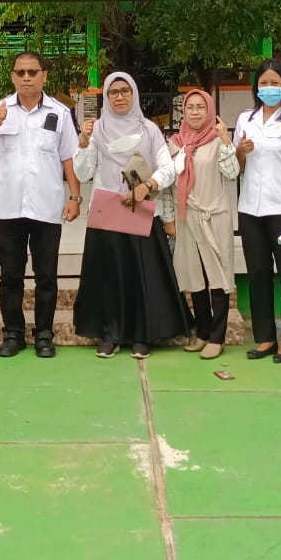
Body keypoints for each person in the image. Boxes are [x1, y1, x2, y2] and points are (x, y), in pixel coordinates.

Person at [73, 72, 189, 359]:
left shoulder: (149, 130)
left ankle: (141, 336)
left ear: (134, 94)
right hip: (106, 212)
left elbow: (168, 168)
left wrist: (147, 187)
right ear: (107, 97)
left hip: (140, 211)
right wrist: (84, 142)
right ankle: (110, 334)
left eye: (125, 91)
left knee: (141, 276)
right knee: (109, 277)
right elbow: (83, 173)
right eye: (113, 92)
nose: (120, 97)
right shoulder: (96, 130)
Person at [0, 52, 83, 357]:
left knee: (46, 276)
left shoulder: (60, 113)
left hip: (47, 207)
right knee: (10, 275)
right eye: (21, 72)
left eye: (32, 72)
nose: (26, 78)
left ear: (44, 76)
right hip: (9, 207)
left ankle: (44, 334)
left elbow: (68, 158)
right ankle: (13, 334)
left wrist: (75, 197)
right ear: (12, 76)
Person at [233, 58, 281, 364]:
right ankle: (264, 337)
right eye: (263, 83)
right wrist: (239, 152)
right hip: (250, 208)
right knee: (258, 275)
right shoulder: (244, 120)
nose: (268, 89)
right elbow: (237, 169)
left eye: (274, 83)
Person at [167, 89, 240, 360]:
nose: (195, 112)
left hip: (214, 216)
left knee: (217, 276)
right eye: (190, 107)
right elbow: (168, 184)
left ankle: (218, 337)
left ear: (209, 111)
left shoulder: (217, 142)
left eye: (200, 107)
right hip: (187, 218)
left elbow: (232, 173)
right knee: (194, 275)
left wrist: (227, 142)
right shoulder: (175, 144)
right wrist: (169, 219)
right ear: (183, 112)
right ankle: (203, 333)